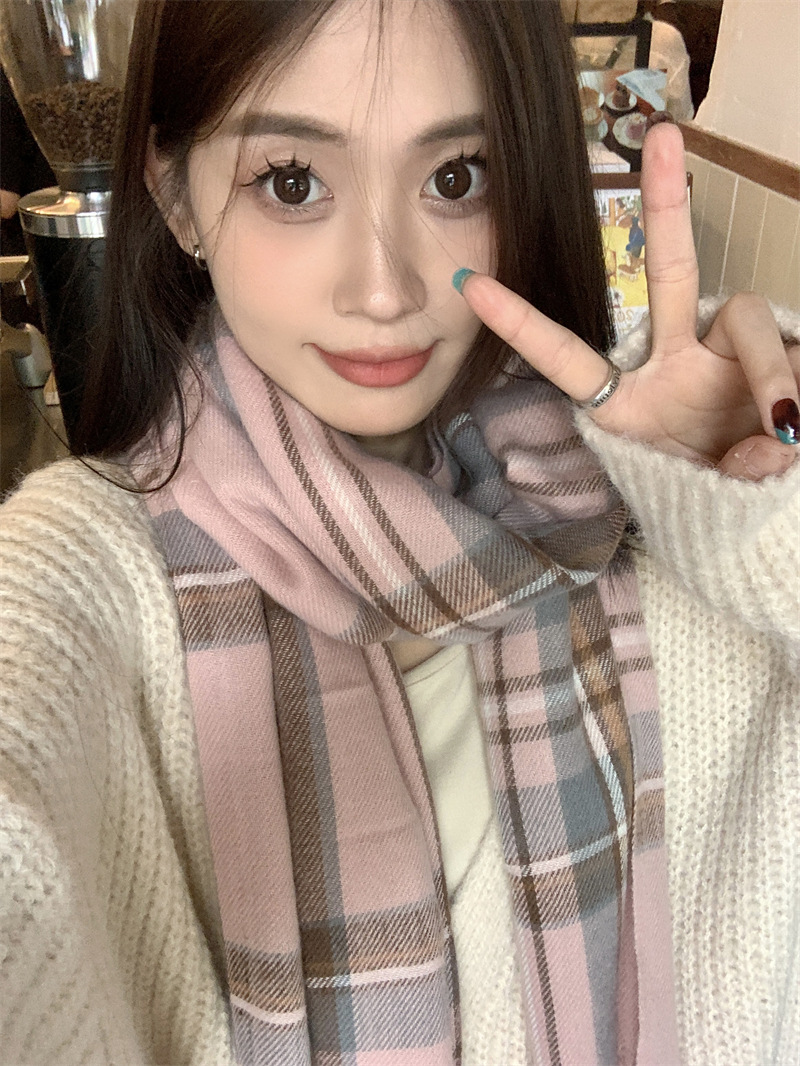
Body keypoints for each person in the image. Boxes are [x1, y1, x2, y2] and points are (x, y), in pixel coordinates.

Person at [0, 2, 797, 1065]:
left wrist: (751, 522)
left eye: (455, 178)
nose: (383, 289)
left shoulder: (636, 520)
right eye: (293, 182)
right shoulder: (89, 566)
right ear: (175, 195)